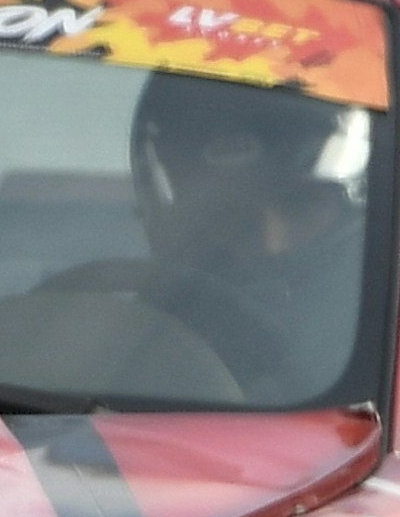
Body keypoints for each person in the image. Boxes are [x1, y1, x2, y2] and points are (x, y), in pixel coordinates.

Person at [121, 77, 372, 397]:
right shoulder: (139, 330)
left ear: (349, 212)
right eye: (230, 216)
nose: (271, 241)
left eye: (299, 206)